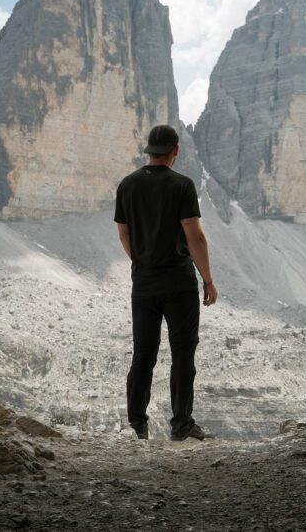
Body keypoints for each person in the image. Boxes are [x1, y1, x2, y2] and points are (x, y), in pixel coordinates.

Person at [114, 124, 218, 441]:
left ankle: (136, 426)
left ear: (149, 151)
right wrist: (208, 280)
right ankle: (181, 424)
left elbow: (123, 234)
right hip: (179, 284)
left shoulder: (127, 185)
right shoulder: (182, 185)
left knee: (143, 354)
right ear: (176, 151)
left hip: (143, 284)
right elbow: (195, 237)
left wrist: (143, 262)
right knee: (183, 354)